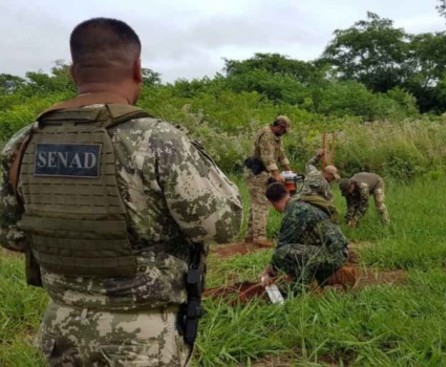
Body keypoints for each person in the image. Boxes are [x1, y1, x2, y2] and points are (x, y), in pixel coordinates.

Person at [0, 18, 242, 366]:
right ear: (138, 69)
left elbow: (11, 236)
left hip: (61, 327)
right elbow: (221, 227)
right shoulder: (158, 140)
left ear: (72, 72)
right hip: (141, 334)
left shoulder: (24, 142)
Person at [260, 182, 355, 294]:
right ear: (286, 193)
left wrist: (268, 273)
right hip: (338, 253)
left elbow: (281, 248)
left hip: (333, 257)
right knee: (297, 251)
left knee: (284, 252)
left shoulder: (295, 211)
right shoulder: (300, 202)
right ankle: (308, 281)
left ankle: (302, 287)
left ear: (273, 203)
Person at [244, 115, 292, 247]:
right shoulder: (266, 134)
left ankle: (249, 236)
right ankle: (259, 237)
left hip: (264, 173)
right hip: (257, 173)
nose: (284, 133)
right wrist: (277, 175)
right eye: (283, 130)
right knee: (262, 203)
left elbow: (282, 156)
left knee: (256, 205)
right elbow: (267, 158)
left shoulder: (277, 137)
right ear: (279, 126)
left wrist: (290, 171)